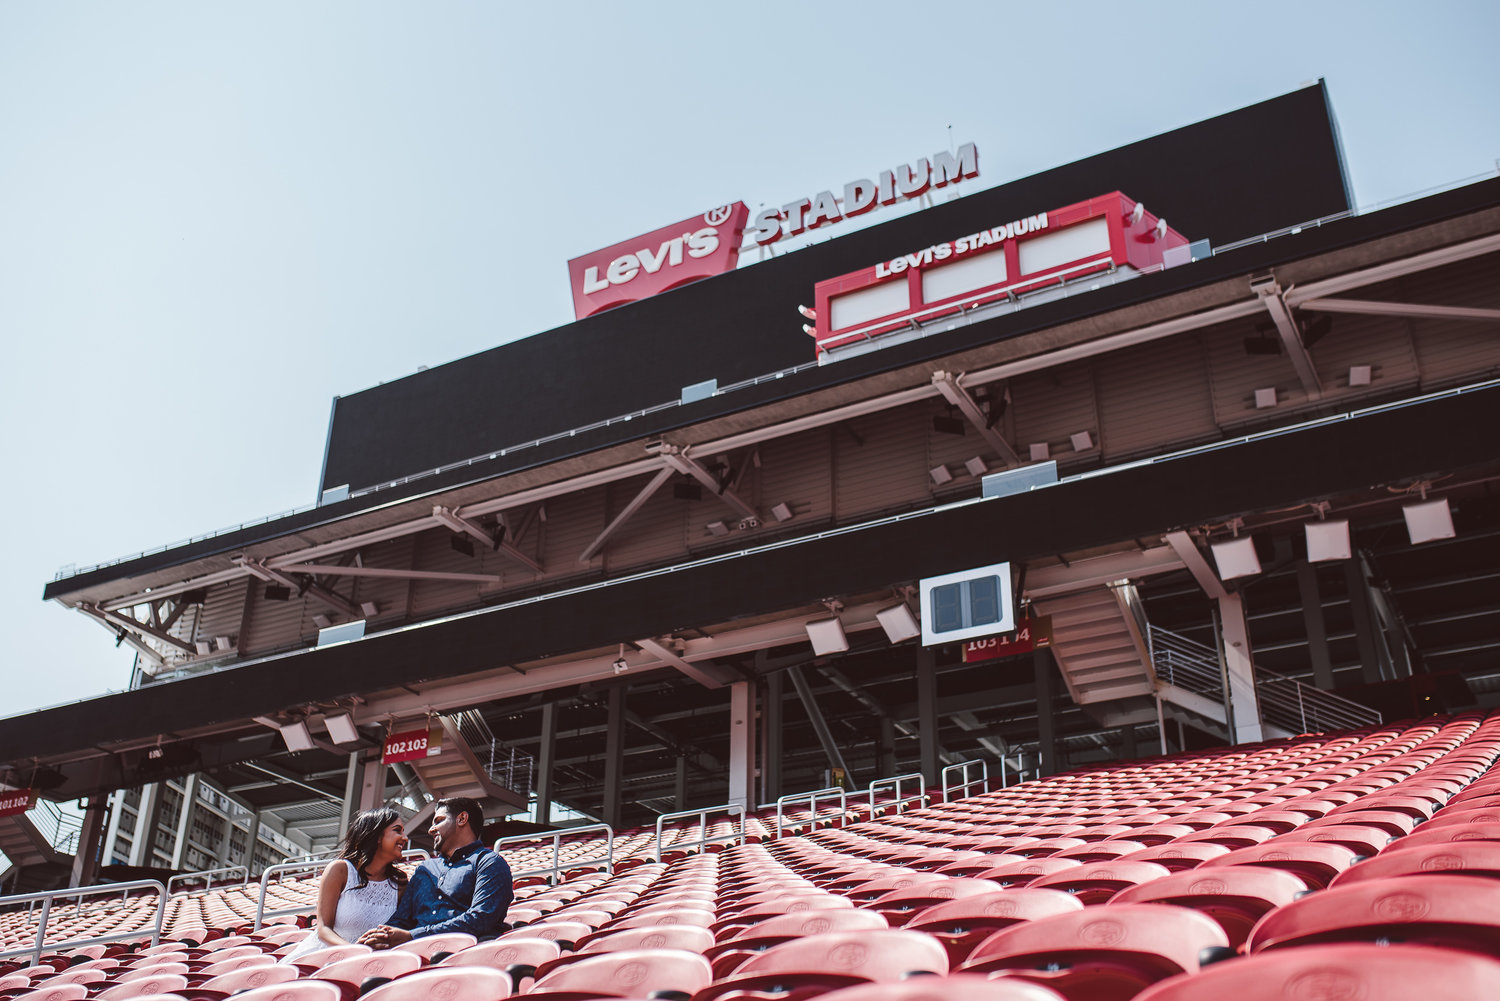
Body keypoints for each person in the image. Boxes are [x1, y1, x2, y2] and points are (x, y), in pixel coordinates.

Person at [359, 796, 512, 947]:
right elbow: (401, 920)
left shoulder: (489, 862)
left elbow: (481, 918)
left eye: (438, 821)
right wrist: (378, 936)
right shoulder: (424, 870)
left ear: (462, 819)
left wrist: (414, 936)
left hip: (466, 951)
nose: (431, 830)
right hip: (415, 951)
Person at [281, 807, 408, 962]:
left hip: (366, 964)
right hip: (322, 957)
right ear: (376, 836)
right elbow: (323, 929)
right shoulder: (340, 870)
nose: (405, 838)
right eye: (398, 831)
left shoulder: (400, 883)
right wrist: (354, 951)